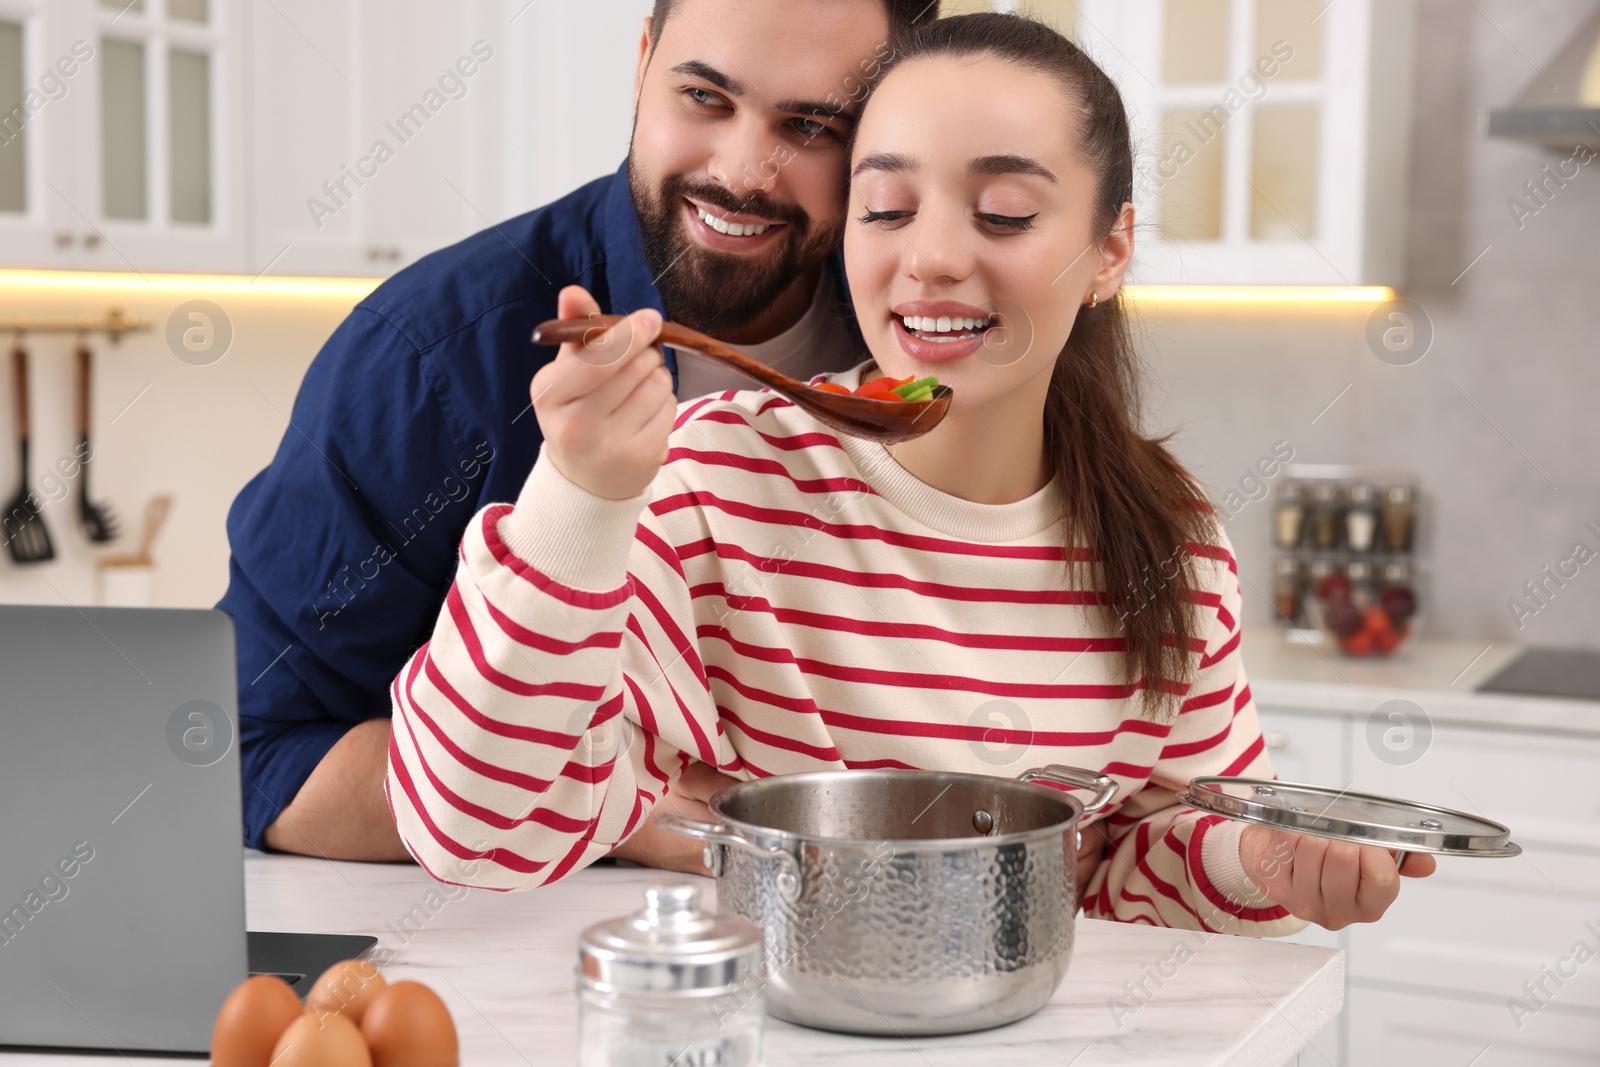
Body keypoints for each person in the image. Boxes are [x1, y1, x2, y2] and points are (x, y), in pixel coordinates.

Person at [385, 10, 1437, 933]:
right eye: (885, 208)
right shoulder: (726, 482)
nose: (930, 256)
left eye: (1005, 214)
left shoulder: (1172, 542)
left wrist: (1259, 862)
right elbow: (473, 831)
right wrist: (579, 496)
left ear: (1110, 248)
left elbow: (1132, 857)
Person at [218, 0, 953, 870]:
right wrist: (633, 816)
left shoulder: (937, 339)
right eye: (705, 99)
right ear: (642, 64)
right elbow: (250, 753)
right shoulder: (429, 361)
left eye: (810, 125)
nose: (745, 170)